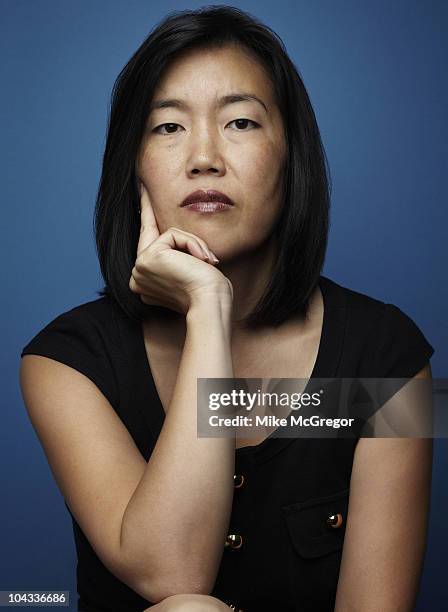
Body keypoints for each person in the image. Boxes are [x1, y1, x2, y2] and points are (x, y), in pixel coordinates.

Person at [19, 6, 435, 612]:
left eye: (241, 122)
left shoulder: (392, 363)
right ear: (130, 163)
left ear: (292, 157)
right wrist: (208, 309)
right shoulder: (62, 362)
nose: (204, 157)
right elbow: (172, 573)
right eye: (167, 128)